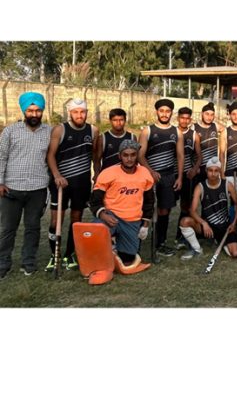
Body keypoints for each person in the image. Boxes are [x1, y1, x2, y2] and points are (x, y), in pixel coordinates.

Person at [0, 92, 51, 279]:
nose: (34, 114)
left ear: (42, 111)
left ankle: (28, 263)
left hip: (37, 189)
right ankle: (3, 264)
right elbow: (1, 157)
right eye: (30, 111)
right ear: (24, 111)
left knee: (32, 228)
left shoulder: (49, 132)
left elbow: (52, 158)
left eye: (38, 110)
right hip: (11, 189)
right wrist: (0, 182)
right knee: (7, 229)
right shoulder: (10, 131)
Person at [46, 98, 99, 270]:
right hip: (60, 183)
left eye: (82, 112)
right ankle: (54, 256)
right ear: (70, 113)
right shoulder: (59, 130)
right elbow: (50, 155)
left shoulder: (93, 131)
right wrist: (57, 175)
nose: (79, 115)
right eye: (75, 112)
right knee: (56, 221)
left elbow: (95, 156)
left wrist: (96, 175)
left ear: (87, 112)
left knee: (76, 220)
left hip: (82, 184)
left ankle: (69, 255)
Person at [89, 139, 155, 269]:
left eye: (133, 155)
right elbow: (94, 200)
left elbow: (149, 202)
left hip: (132, 220)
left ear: (137, 155)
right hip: (111, 216)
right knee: (98, 232)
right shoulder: (108, 173)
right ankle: (107, 248)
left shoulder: (145, 174)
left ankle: (116, 248)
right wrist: (103, 215)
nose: (129, 159)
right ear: (119, 156)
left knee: (128, 259)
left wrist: (145, 225)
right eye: (125, 155)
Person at [137, 98, 184, 257]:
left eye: (168, 111)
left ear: (172, 113)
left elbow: (180, 156)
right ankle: (135, 242)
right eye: (161, 111)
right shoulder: (147, 131)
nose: (164, 114)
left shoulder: (177, 132)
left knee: (164, 210)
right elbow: (140, 155)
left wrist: (179, 178)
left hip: (168, 176)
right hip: (148, 177)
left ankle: (160, 243)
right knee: (144, 210)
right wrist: (150, 171)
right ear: (156, 112)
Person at [178, 157, 237, 260]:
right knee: (185, 221)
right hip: (208, 227)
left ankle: (220, 240)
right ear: (206, 171)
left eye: (216, 171)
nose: (213, 173)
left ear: (220, 171)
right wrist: (203, 223)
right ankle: (197, 249)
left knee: (235, 253)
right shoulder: (200, 187)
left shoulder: (227, 185)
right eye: (210, 170)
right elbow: (192, 211)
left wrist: (233, 223)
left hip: (224, 227)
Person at [175, 107, 202, 248]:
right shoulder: (172, 132)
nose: (184, 120)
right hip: (172, 175)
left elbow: (199, 156)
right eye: (182, 117)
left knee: (186, 206)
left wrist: (194, 169)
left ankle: (181, 236)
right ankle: (161, 239)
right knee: (166, 208)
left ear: (190, 119)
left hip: (187, 176)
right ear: (178, 118)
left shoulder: (194, 135)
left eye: (187, 118)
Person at [194, 102, 226, 183]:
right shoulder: (194, 127)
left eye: (212, 115)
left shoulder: (215, 126)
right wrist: (194, 167)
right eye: (207, 114)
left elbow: (229, 130)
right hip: (199, 168)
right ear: (202, 114)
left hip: (212, 168)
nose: (209, 117)